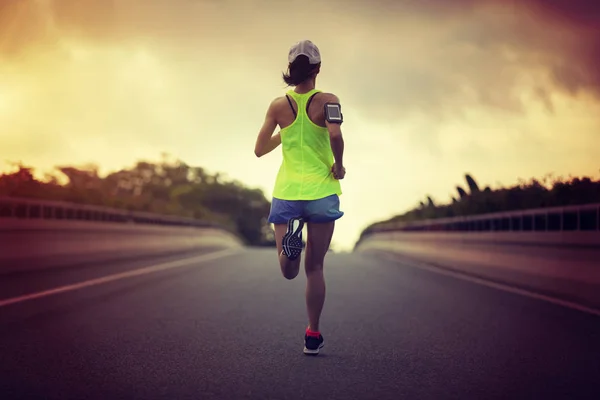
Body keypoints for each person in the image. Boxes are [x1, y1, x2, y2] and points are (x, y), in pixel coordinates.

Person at [254, 39, 346, 356]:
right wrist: (339, 165)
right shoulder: (329, 100)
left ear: (290, 70)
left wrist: (288, 130)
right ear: (317, 69)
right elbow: (335, 134)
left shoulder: (278, 106)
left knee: (289, 270)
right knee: (315, 268)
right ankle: (312, 334)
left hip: (288, 193)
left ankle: (290, 250)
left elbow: (259, 149)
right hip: (321, 192)